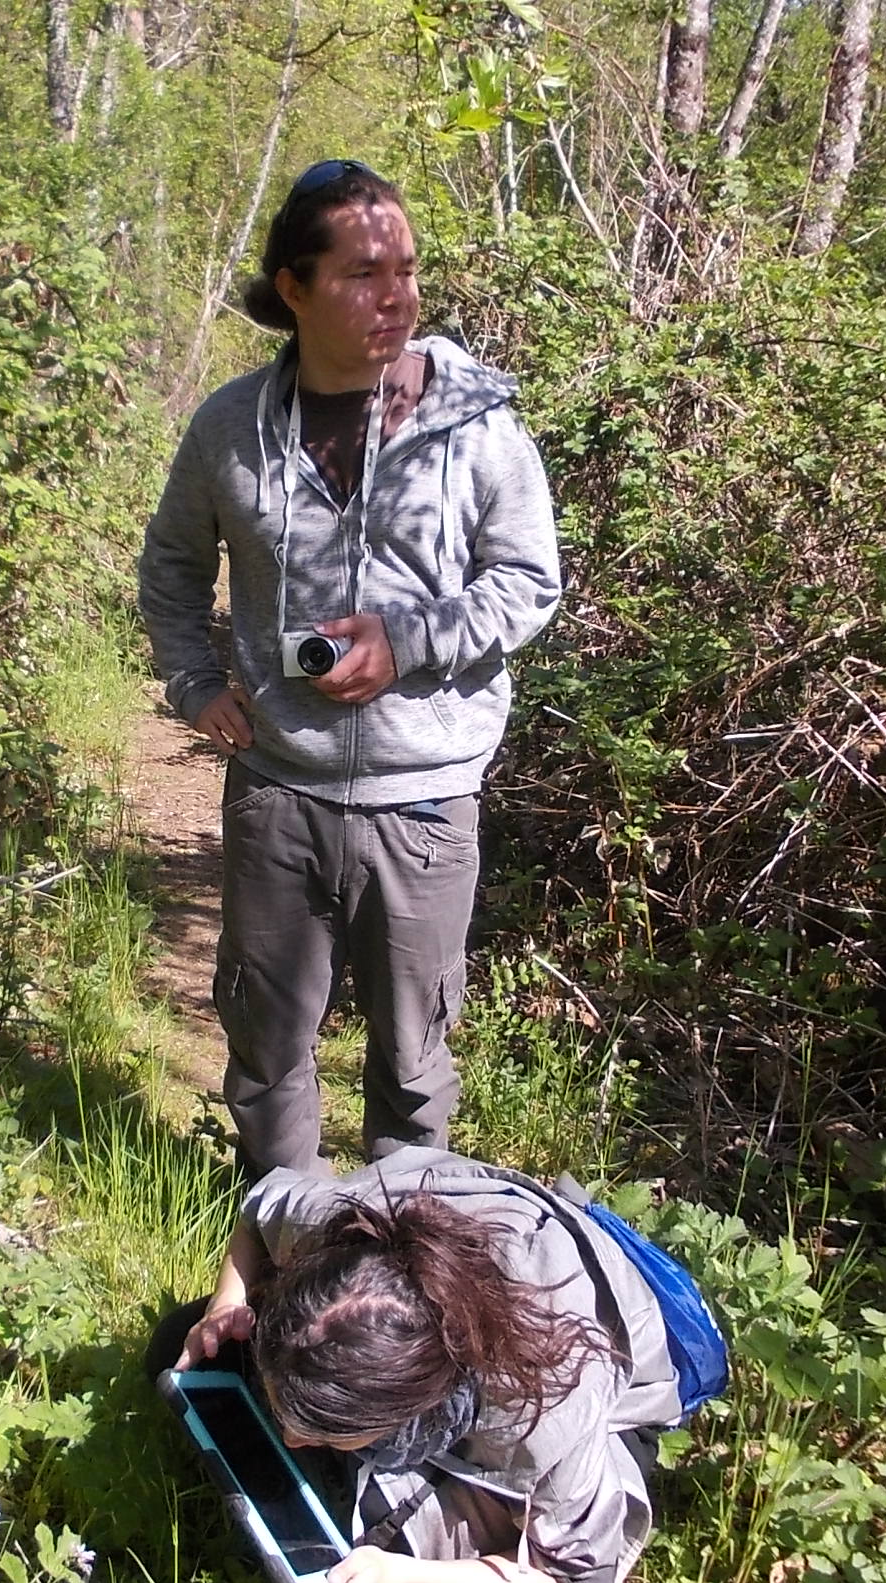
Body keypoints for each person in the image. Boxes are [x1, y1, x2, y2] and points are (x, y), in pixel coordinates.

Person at [137, 160, 561, 1178]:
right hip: (279, 791)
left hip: (426, 803)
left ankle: (401, 1241)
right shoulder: (230, 428)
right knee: (267, 1046)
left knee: (413, 1067)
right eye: (364, 274)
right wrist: (194, 684)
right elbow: (171, 567)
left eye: (406, 270)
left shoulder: (476, 424)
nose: (396, 297)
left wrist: (406, 639)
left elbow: (528, 583)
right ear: (294, 287)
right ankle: (276, 1234)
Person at [153, 1147, 683, 1583]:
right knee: (186, 1347)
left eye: (321, 1430)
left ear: (406, 1415)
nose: (292, 1439)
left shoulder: (545, 1411)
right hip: (441, 1333)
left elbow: (572, 1576)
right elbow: (258, 1211)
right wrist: (224, 1306)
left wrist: (405, 1579)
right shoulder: (331, 1229)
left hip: (609, 1408)